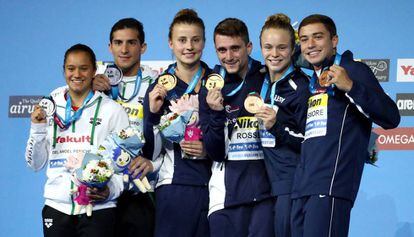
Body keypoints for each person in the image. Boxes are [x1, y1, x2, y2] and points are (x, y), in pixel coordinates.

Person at [290, 14, 400, 237]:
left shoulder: (352, 70)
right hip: (304, 186)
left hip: (331, 184)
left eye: (318, 37)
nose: (310, 45)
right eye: (304, 39)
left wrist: (350, 85)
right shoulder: (313, 80)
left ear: (334, 40)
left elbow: (391, 117)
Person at [25, 44, 129, 237]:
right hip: (57, 208)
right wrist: (37, 129)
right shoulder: (49, 107)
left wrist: (110, 190)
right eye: (71, 68)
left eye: (84, 68)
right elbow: (35, 164)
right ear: (63, 70)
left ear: (94, 70)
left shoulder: (112, 111)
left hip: (99, 209)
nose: (77, 74)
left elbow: (124, 165)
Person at [199, 18, 273, 237]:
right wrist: (215, 112)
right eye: (222, 50)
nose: (228, 57)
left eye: (235, 48)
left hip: (265, 193)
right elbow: (215, 152)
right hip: (224, 195)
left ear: (249, 47)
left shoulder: (268, 77)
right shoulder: (211, 86)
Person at [143, 9, 211, 237]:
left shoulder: (218, 82)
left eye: (195, 40)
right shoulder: (159, 87)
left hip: (215, 187)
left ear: (204, 42)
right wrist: (152, 115)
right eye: (182, 40)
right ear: (170, 43)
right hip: (174, 186)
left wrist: (209, 149)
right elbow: (150, 152)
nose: (189, 46)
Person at [92, 18, 158, 237]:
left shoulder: (156, 83)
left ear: (143, 47)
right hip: (100, 188)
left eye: (131, 42)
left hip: (139, 188)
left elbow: (167, 135)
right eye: (118, 43)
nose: (124, 49)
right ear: (110, 47)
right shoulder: (94, 82)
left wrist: (153, 164)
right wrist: (90, 92)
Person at [256, 13, 310, 237]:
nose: (274, 54)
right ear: (260, 47)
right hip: (262, 184)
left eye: (282, 47)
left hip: (290, 183)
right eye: (268, 47)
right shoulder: (260, 79)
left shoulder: (301, 88)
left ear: (293, 48)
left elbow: (310, 142)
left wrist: (276, 126)